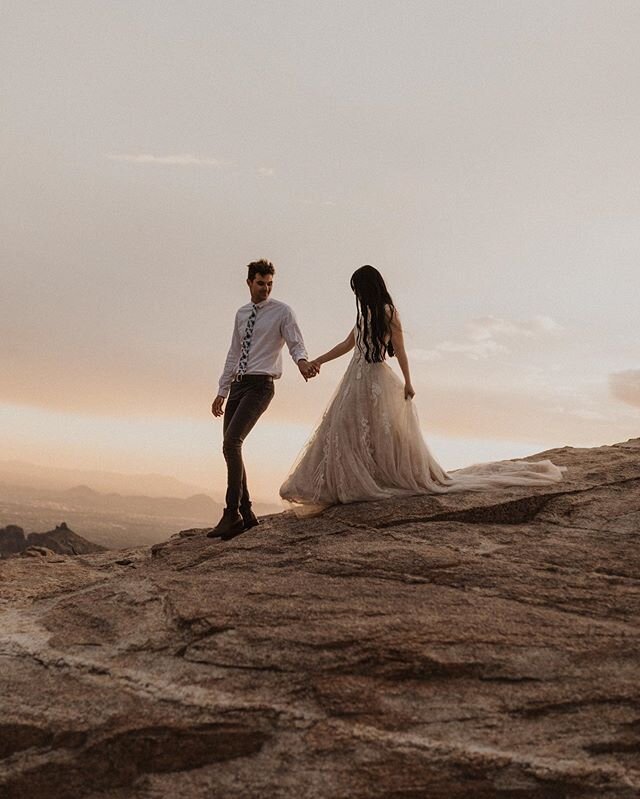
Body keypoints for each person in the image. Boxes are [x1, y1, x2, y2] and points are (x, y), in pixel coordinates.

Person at [280, 265, 564, 508]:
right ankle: (334, 484)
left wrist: (408, 381)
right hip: (355, 378)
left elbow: (401, 350)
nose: (355, 294)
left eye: (357, 288)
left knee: (377, 430)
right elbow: (347, 344)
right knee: (344, 427)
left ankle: (368, 480)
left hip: (375, 377)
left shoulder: (387, 312)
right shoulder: (363, 313)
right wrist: (318, 360)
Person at [211, 259, 317, 538]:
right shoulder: (241, 313)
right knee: (229, 446)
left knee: (232, 442)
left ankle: (231, 513)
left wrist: (303, 362)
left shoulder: (283, 312)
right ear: (249, 282)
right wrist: (222, 391)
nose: (265, 289)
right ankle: (246, 514)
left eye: (270, 284)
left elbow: (296, 342)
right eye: (260, 283)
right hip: (238, 386)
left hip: (261, 386)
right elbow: (233, 353)